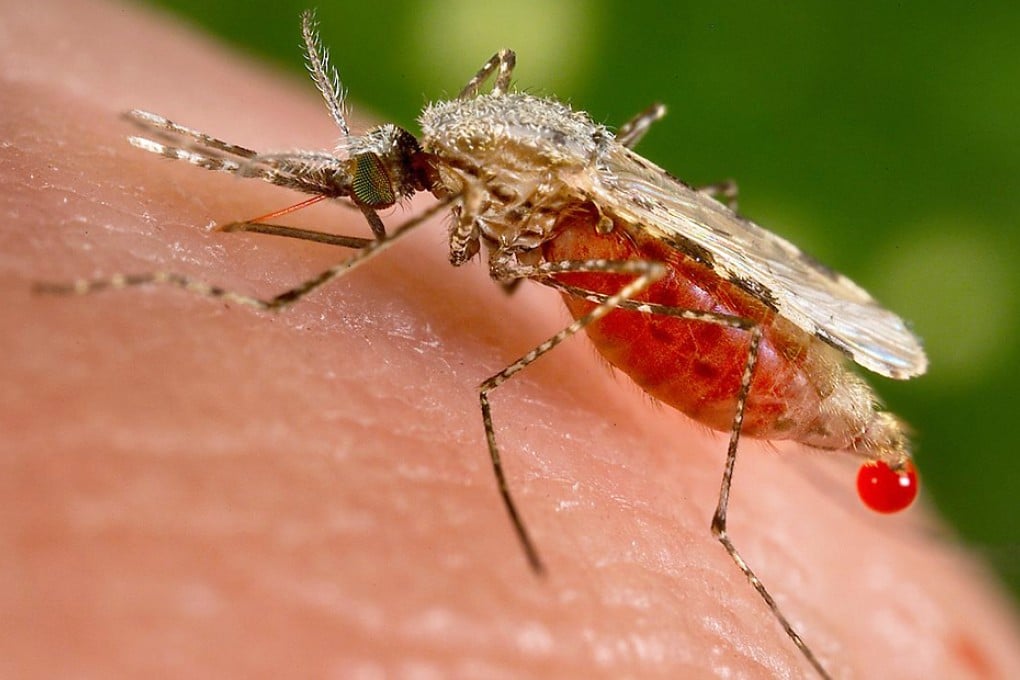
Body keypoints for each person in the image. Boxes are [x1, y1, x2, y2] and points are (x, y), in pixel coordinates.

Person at [4, 1, 1019, 676]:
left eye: (366, 184)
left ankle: (728, 545)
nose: (368, 192)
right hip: (614, 238)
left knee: (640, 302)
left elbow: (411, 207)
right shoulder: (453, 153)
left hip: (696, 302)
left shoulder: (472, 168)